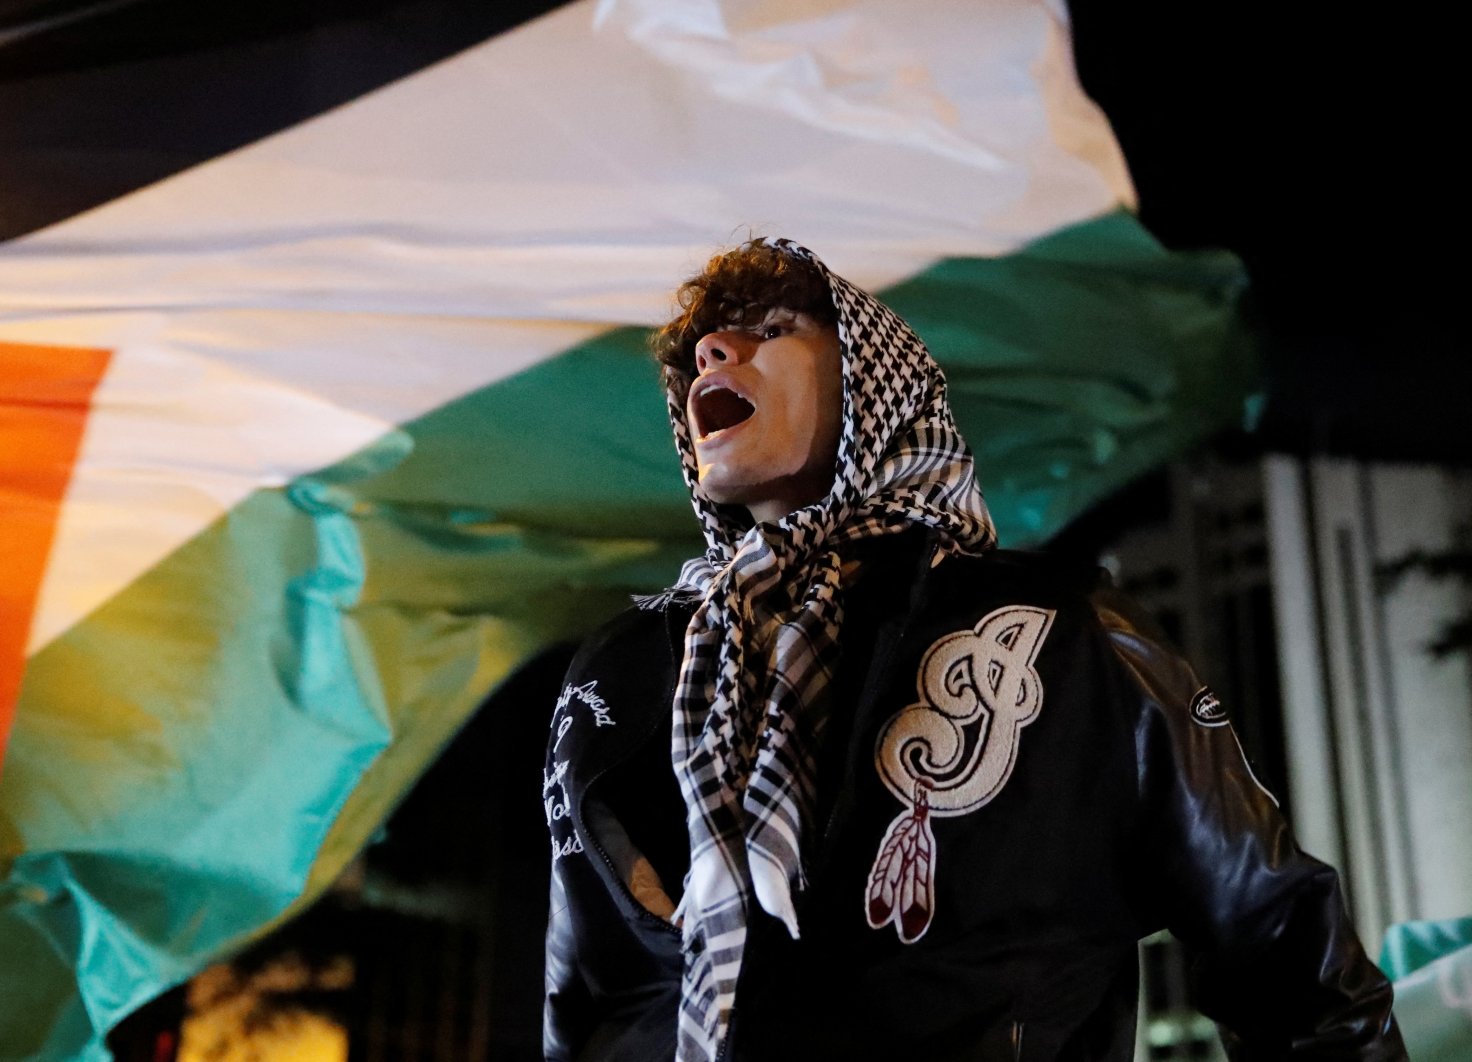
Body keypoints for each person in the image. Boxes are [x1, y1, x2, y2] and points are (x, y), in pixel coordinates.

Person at [540, 237, 1404, 1062]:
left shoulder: (1063, 631)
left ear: (878, 390)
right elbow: (585, 1003)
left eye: (770, 332)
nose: (715, 355)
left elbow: (1284, 949)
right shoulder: (621, 673)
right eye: (702, 350)